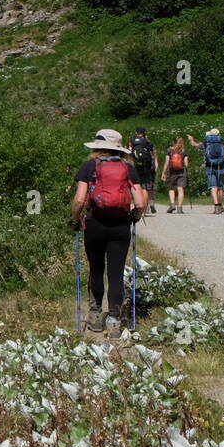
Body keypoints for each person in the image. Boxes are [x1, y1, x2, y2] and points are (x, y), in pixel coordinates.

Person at [71, 129, 147, 339]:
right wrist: (134, 217)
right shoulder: (128, 168)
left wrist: (75, 220)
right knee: (115, 273)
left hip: (94, 224)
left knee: (96, 270)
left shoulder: (89, 166)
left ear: (97, 147)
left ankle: (95, 317)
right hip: (120, 226)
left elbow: (79, 200)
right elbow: (140, 202)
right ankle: (114, 321)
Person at [187, 129, 224, 213]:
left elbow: (194, 144)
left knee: (213, 187)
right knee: (220, 187)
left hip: (209, 166)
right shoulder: (222, 144)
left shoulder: (206, 143)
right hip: (221, 166)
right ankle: (220, 205)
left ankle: (216, 206)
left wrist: (191, 139)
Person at [128, 126, 158, 216]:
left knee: (133, 186)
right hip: (146, 167)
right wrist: (155, 163)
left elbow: (128, 153)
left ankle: (133, 207)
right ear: (144, 133)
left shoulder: (131, 141)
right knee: (145, 187)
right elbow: (152, 155)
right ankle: (143, 210)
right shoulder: (148, 142)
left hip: (134, 166)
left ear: (136, 132)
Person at [163, 136, 189, 213]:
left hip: (172, 171)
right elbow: (186, 164)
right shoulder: (184, 152)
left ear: (173, 142)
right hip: (182, 171)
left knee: (171, 188)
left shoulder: (169, 151)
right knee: (180, 189)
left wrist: (164, 173)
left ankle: (172, 204)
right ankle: (180, 208)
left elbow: (167, 163)